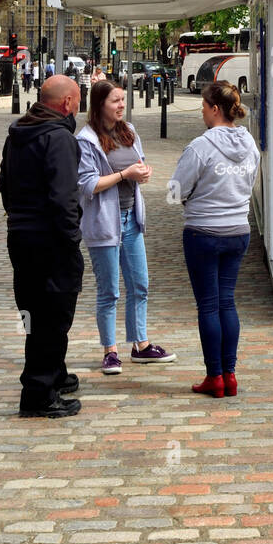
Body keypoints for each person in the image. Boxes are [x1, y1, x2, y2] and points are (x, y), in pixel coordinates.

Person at [0, 75, 83, 419]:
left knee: (33, 310)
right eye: (78, 100)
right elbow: (64, 197)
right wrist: (71, 237)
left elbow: (4, 184)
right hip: (50, 239)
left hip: (21, 235)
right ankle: (38, 392)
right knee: (52, 314)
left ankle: (53, 374)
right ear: (66, 103)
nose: (78, 107)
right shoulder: (59, 138)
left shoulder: (18, 133)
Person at [76, 80, 175, 374]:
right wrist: (124, 174)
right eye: (115, 101)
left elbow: (139, 163)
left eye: (122, 100)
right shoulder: (87, 140)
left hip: (131, 218)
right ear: (99, 105)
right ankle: (110, 351)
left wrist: (142, 172)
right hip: (104, 222)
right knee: (109, 291)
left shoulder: (129, 131)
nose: (121, 105)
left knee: (139, 284)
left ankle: (141, 346)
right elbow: (88, 185)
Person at [170, 81, 261, 398]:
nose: (202, 114)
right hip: (238, 230)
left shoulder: (200, 146)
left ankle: (214, 376)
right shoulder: (249, 143)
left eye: (204, 108)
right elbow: (251, 181)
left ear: (215, 109)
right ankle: (230, 374)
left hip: (204, 231)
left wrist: (193, 198)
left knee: (208, 305)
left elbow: (176, 191)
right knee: (226, 302)